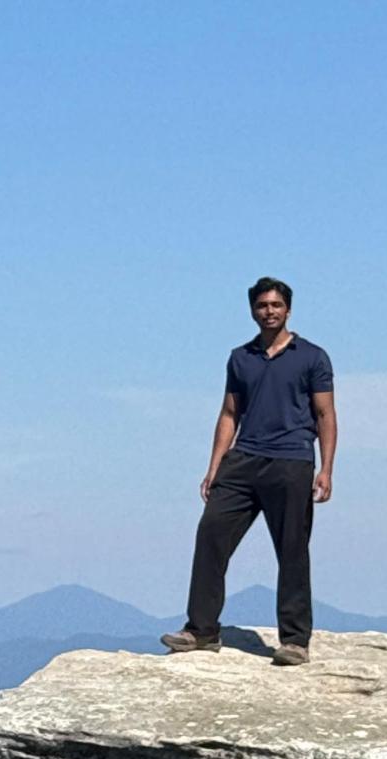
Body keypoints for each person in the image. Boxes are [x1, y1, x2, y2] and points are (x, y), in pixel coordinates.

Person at [161, 276, 337, 665]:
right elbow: (229, 413)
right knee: (211, 534)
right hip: (243, 460)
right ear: (252, 311)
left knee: (292, 549)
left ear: (288, 309)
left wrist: (326, 469)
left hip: (292, 460)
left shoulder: (312, 357)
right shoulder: (240, 358)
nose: (269, 311)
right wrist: (214, 467)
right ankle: (202, 630)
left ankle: (294, 641)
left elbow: (325, 414)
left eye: (275, 305)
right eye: (262, 305)